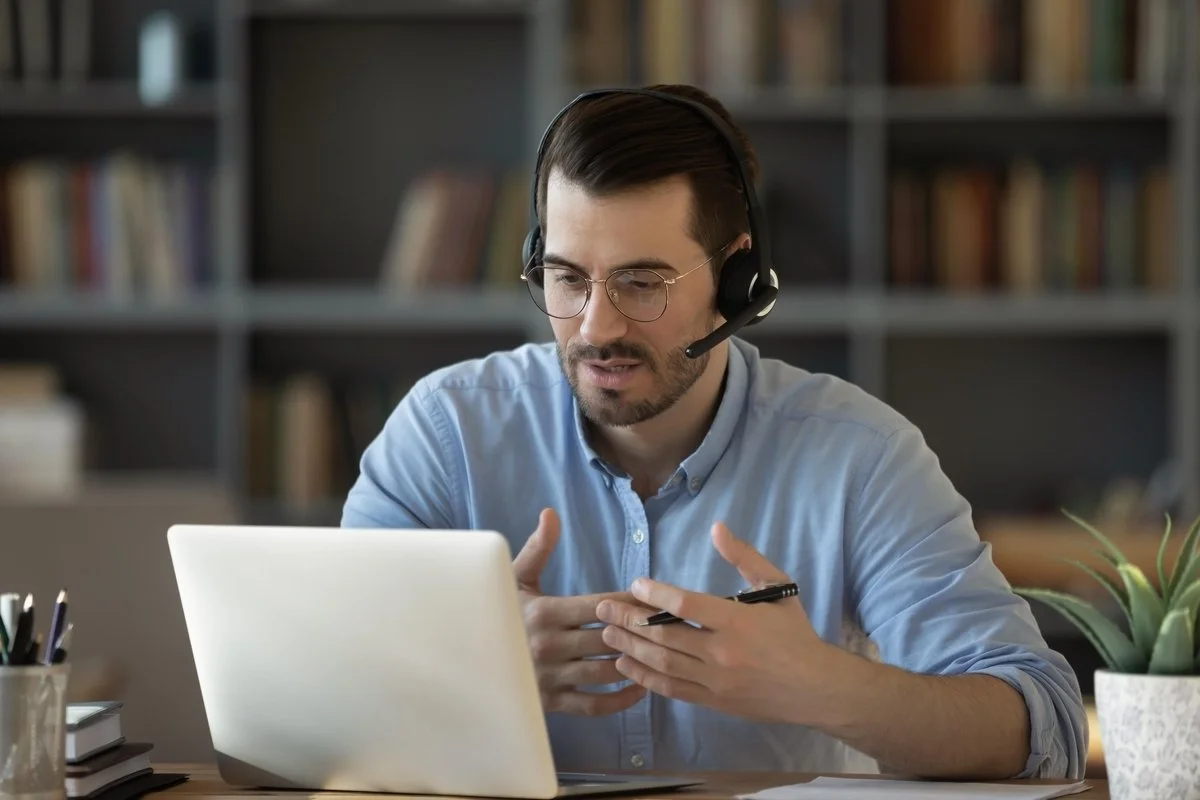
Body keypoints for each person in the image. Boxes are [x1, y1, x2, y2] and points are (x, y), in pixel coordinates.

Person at [341, 84, 1087, 781]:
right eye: (567, 279)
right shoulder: (446, 432)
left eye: (642, 283)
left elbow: (1045, 729)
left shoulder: (859, 456)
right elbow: (318, 684)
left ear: (739, 280)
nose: (596, 328)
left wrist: (821, 687)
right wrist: (471, 667)